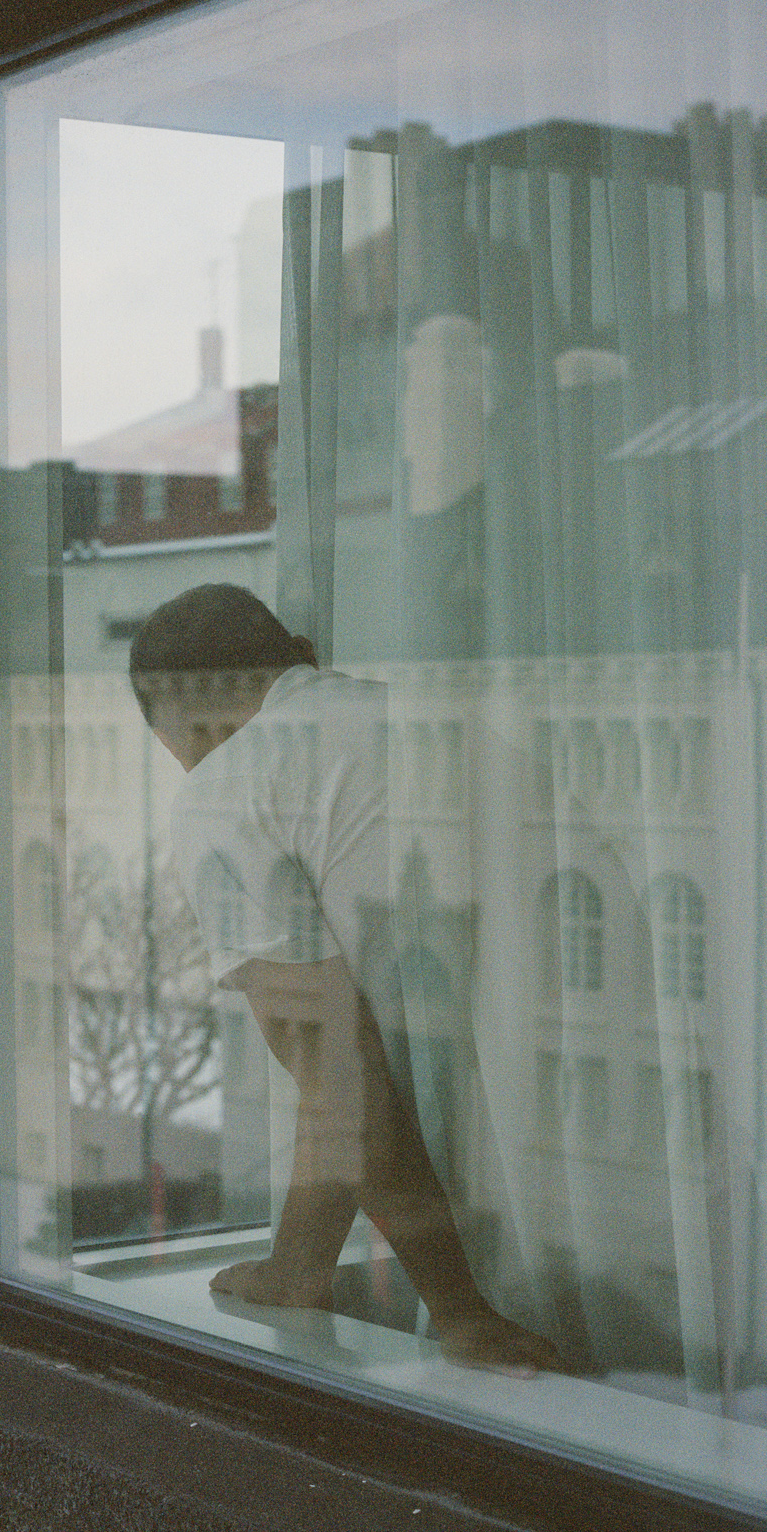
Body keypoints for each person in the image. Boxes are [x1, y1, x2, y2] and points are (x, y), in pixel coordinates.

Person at [130, 583, 564, 1377]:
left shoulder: (227, 790)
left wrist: (460, 1311)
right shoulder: (418, 720)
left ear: (177, 715)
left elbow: (340, 1075)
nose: (186, 765)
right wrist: (301, 1264)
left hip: (513, 1169)